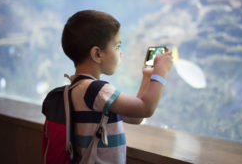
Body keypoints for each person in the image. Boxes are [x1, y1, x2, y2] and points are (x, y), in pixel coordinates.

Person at [42, 10, 173, 164]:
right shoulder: (97, 90)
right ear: (97, 54)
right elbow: (146, 108)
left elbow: (136, 116)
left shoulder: (77, 88)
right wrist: (160, 73)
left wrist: (147, 78)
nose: (121, 53)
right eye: (118, 46)